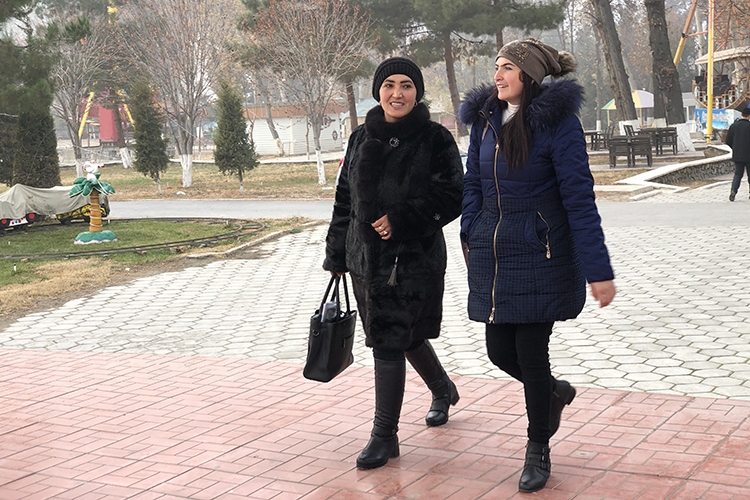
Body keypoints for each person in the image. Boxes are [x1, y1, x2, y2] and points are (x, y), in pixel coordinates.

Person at [458, 39, 616, 493]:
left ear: (529, 75)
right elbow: (473, 183)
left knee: (530, 353)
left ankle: (537, 447)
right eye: (497, 66)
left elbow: (579, 199)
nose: (498, 75)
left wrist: (598, 270)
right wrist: (471, 229)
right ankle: (554, 393)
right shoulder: (486, 119)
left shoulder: (558, 124)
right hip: (494, 253)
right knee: (498, 352)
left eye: (508, 67)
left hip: (540, 252)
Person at [323, 57, 464, 470]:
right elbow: (344, 199)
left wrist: (402, 219)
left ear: (417, 92)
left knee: (388, 341)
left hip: (413, 260)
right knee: (404, 336)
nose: (397, 93)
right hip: (364, 259)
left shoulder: (435, 138)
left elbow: (453, 195)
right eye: (389, 85)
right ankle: (443, 388)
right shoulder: (360, 137)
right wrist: (336, 253)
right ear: (377, 91)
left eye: (406, 85)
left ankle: (384, 436)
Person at [726, 107, 750, 202]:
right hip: (749, 155)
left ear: (741, 115)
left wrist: (735, 147)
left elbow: (728, 140)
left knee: (738, 174)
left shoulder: (734, 126)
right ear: (749, 116)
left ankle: (733, 191)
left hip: (738, 155)